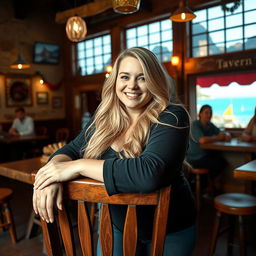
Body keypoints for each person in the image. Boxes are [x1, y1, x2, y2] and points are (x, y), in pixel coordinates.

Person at [33, 47, 196, 256]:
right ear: (115, 81)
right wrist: (51, 176)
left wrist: (78, 166)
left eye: (142, 78)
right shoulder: (103, 118)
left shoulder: (172, 115)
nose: (132, 86)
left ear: (155, 81)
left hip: (171, 228)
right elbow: (72, 148)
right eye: (125, 77)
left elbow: (149, 174)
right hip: (117, 224)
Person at [186, 104, 231, 195]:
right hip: (194, 158)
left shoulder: (210, 125)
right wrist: (219, 138)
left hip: (205, 155)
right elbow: (202, 140)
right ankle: (209, 186)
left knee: (221, 160)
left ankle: (208, 186)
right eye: (206, 113)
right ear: (200, 114)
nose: (209, 115)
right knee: (219, 163)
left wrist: (226, 135)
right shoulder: (195, 125)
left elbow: (221, 132)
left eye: (210, 113)